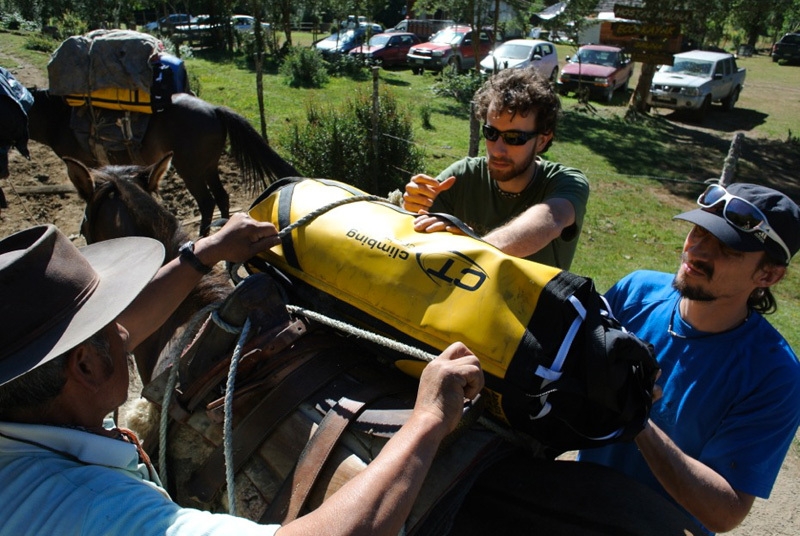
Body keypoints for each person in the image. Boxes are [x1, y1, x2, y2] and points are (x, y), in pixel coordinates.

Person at [0, 214, 484, 536]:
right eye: (108, 327)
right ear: (83, 364)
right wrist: (427, 419)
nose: (126, 331)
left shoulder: (27, 421)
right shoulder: (96, 510)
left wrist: (203, 254)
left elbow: (129, 325)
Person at [578, 183, 800, 534]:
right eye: (698, 230)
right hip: (572, 505)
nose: (696, 250)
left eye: (727, 247)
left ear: (768, 275)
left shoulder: (774, 374)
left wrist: (640, 422)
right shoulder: (635, 292)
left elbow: (725, 512)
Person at [402, 67, 590, 269]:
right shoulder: (464, 175)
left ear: (542, 141)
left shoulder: (566, 182)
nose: (498, 150)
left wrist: (474, 246)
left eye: (514, 138)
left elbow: (549, 219)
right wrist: (412, 206)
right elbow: (411, 236)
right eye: (491, 133)